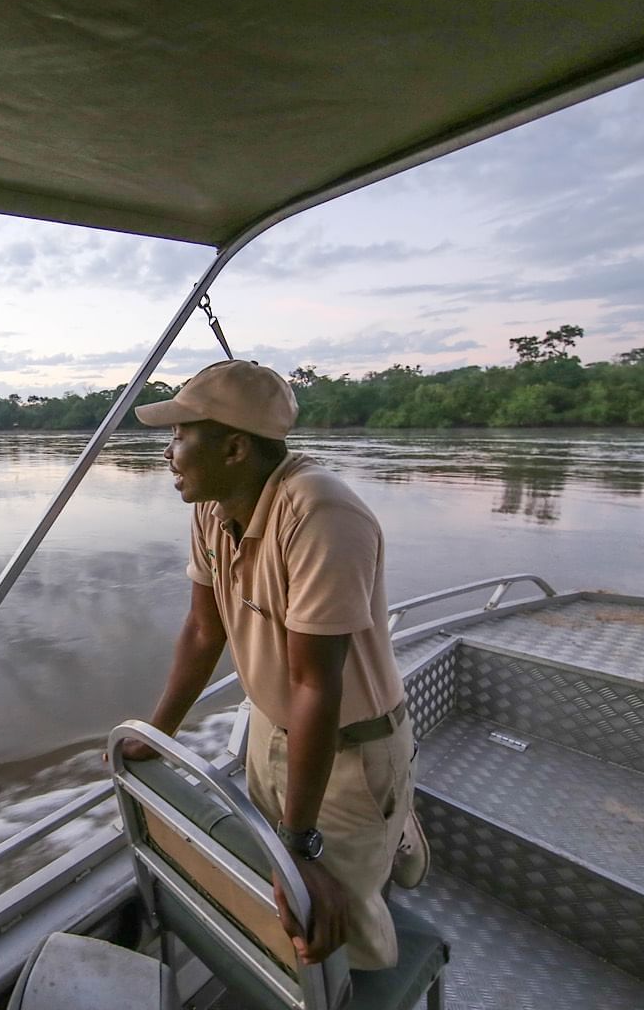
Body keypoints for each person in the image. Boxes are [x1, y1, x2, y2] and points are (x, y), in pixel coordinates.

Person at [122, 358, 428, 977]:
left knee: (339, 931)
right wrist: (157, 734)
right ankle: (388, 834)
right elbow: (204, 631)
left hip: (346, 750)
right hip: (272, 728)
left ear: (234, 447)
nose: (168, 452)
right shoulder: (211, 508)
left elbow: (318, 682)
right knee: (289, 884)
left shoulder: (322, 515)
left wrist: (299, 843)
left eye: (180, 435)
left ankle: (383, 856)